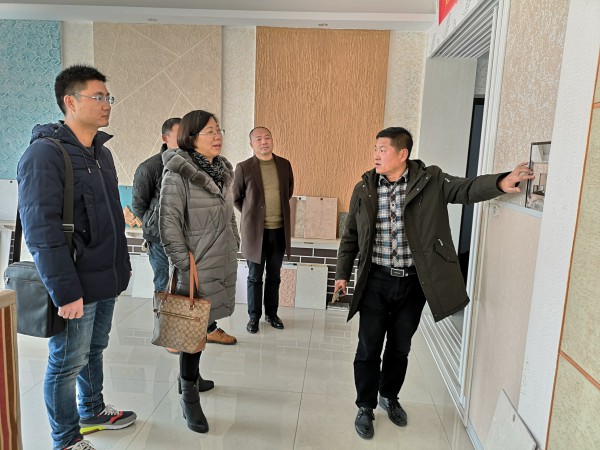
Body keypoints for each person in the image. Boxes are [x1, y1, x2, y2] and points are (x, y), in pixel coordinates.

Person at [333, 127, 534, 440]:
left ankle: (389, 396)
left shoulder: (432, 180)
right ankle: (365, 406)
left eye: (383, 149)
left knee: (400, 347)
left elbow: (465, 189)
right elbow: (351, 236)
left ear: (403, 154)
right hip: (375, 281)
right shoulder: (364, 188)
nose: (376, 154)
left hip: (413, 283)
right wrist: (342, 274)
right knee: (369, 347)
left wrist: (500, 182)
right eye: (375, 148)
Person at [17, 65, 136, 450]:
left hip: (105, 278)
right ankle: (66, 440)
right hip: (76, 284)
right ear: (70, 101)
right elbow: (42, 232)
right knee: (66, 362)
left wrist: (121, 271)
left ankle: (92, 410)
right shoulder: (44, 155)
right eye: (97, 97)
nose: (106, 104)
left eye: (108, 97)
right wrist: (65, 292)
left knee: (93, 351)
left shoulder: (102, 154)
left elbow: (109, 218)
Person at [159, 110, 239, 433]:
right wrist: (183, 264)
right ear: (191, 138)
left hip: (219, 260)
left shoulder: (222, 171)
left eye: (219, 130)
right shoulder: (177, 174)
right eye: (209, 131)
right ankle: (188, 395)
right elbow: (168, 225)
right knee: (191, 332)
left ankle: (194, 376)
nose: (217, 136)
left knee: (204, 324)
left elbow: (228, 214)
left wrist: (234, 241)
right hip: (194, 266)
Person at [132, 118, 237, 348]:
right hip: (161, 240)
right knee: (167, 285)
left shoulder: (199, 165)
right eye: (179, 135)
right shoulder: (150, 167)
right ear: (165, 138)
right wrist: (160, 228)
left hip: (193, 242)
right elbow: (139, 206)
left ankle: (207, 329)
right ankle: (172, 332)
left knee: (199, 290)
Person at [233, 127, 294, 333]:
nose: (264, 142)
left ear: (272, 140)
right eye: (258, 139)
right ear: (252, 144)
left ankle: (272, 314)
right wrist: (252, 215)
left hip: (279, 230)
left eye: (267, 137)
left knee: (274, 276)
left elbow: (288, 192)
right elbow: (236, 197)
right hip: (255, 233)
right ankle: (254, 317)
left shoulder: (284, 165)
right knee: (254, 276)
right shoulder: (244, 167)